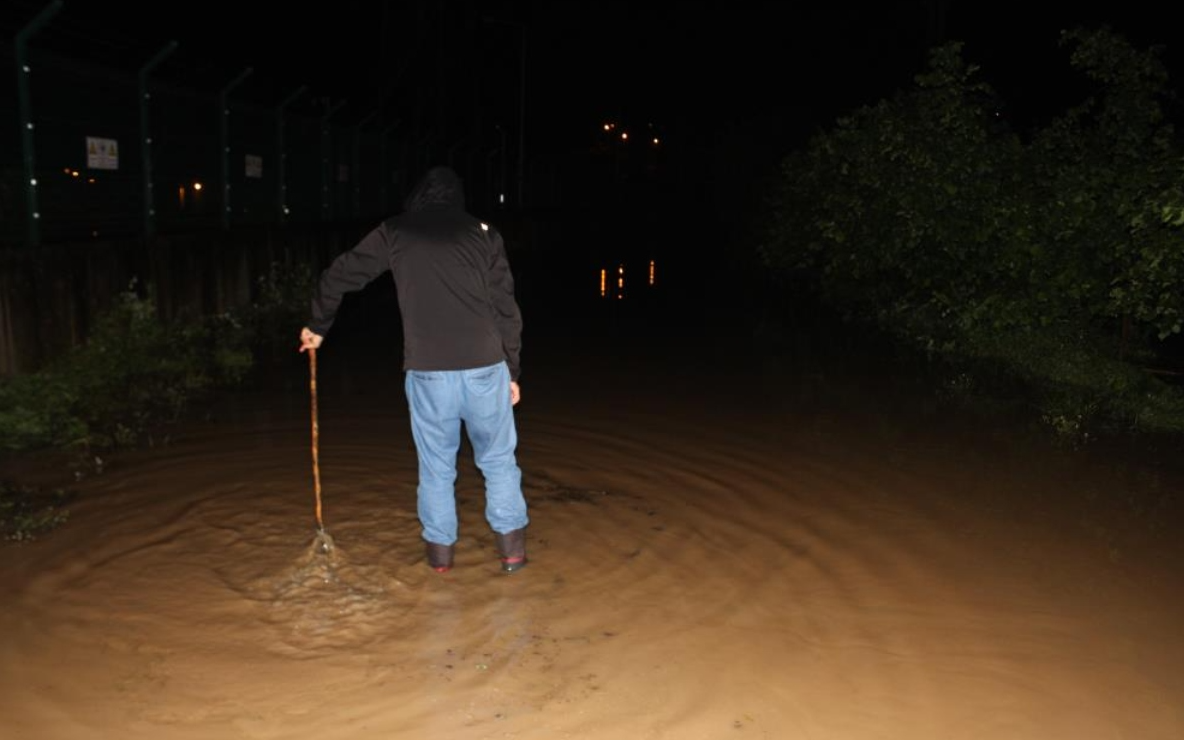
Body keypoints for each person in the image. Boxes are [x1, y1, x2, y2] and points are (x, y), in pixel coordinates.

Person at [298, 165, 528, 574]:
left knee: (436, 467)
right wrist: (512, 369)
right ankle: (512, 555)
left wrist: (317, 326)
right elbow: (506, 308)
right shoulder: (484, 233)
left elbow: (340, 275)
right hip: (485, 368)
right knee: (497, 461)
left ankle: (440, 563)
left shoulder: (395, 232)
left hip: (428, 373)